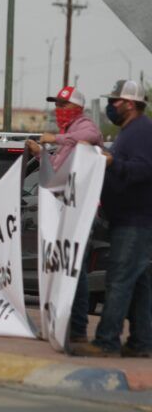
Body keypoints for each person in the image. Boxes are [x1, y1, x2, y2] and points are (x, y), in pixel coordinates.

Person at [73, 80, 152, 358]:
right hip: (129, 220)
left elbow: (144, 169)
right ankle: (142, 342)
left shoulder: (140, 131)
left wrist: (111, 162)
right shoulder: (129, 131)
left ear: (130, 103)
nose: (111, 106)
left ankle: (107, 341)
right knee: (140, 285)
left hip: (135, 221)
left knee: (117, 281)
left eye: (115, 101)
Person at [25, 86, 103, 343]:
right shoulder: (67, 134)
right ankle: (66, 324)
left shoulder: (85, 127)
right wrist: (41, 153)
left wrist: (54, 140)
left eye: (63, 105)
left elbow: (90, 137)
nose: (58, 110)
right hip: (63, 210)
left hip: (79, 211)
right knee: (66, 268)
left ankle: (78, 328)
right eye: (56, 105)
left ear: (76, 108)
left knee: (74, 268)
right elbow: (58, 169)